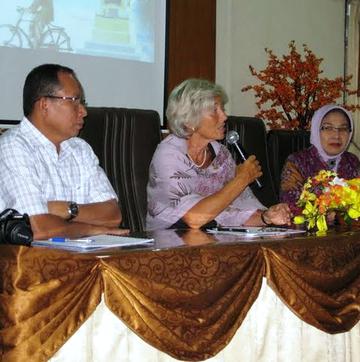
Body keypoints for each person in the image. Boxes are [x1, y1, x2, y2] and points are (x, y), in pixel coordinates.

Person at [0, 63, 127, 240]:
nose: (83, 111)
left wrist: (68, 210)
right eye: (74, 101)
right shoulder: (13, 147)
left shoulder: (79, 149)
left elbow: (113, 216)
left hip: (82, 258)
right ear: (44, 104)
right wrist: (90, 229)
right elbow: (37, 228)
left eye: (82, 103)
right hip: (33, 263)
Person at [146, 78, 291, 230]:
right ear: (190, 121)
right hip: (169, 245)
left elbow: (233, 211)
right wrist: (241, 179)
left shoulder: (221, 154)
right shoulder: (168, 155)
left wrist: (266, 217)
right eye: (215, 110)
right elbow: (194, 218)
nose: (224, 117)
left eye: (222, 109)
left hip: (212, 240)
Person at [280, 104, 360, 215]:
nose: (336, 135)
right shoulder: (298, 161)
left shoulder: (352, 161)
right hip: (307, 231)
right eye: (328, 128)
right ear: (316, 129)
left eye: (343, 128)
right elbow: (289, 206)